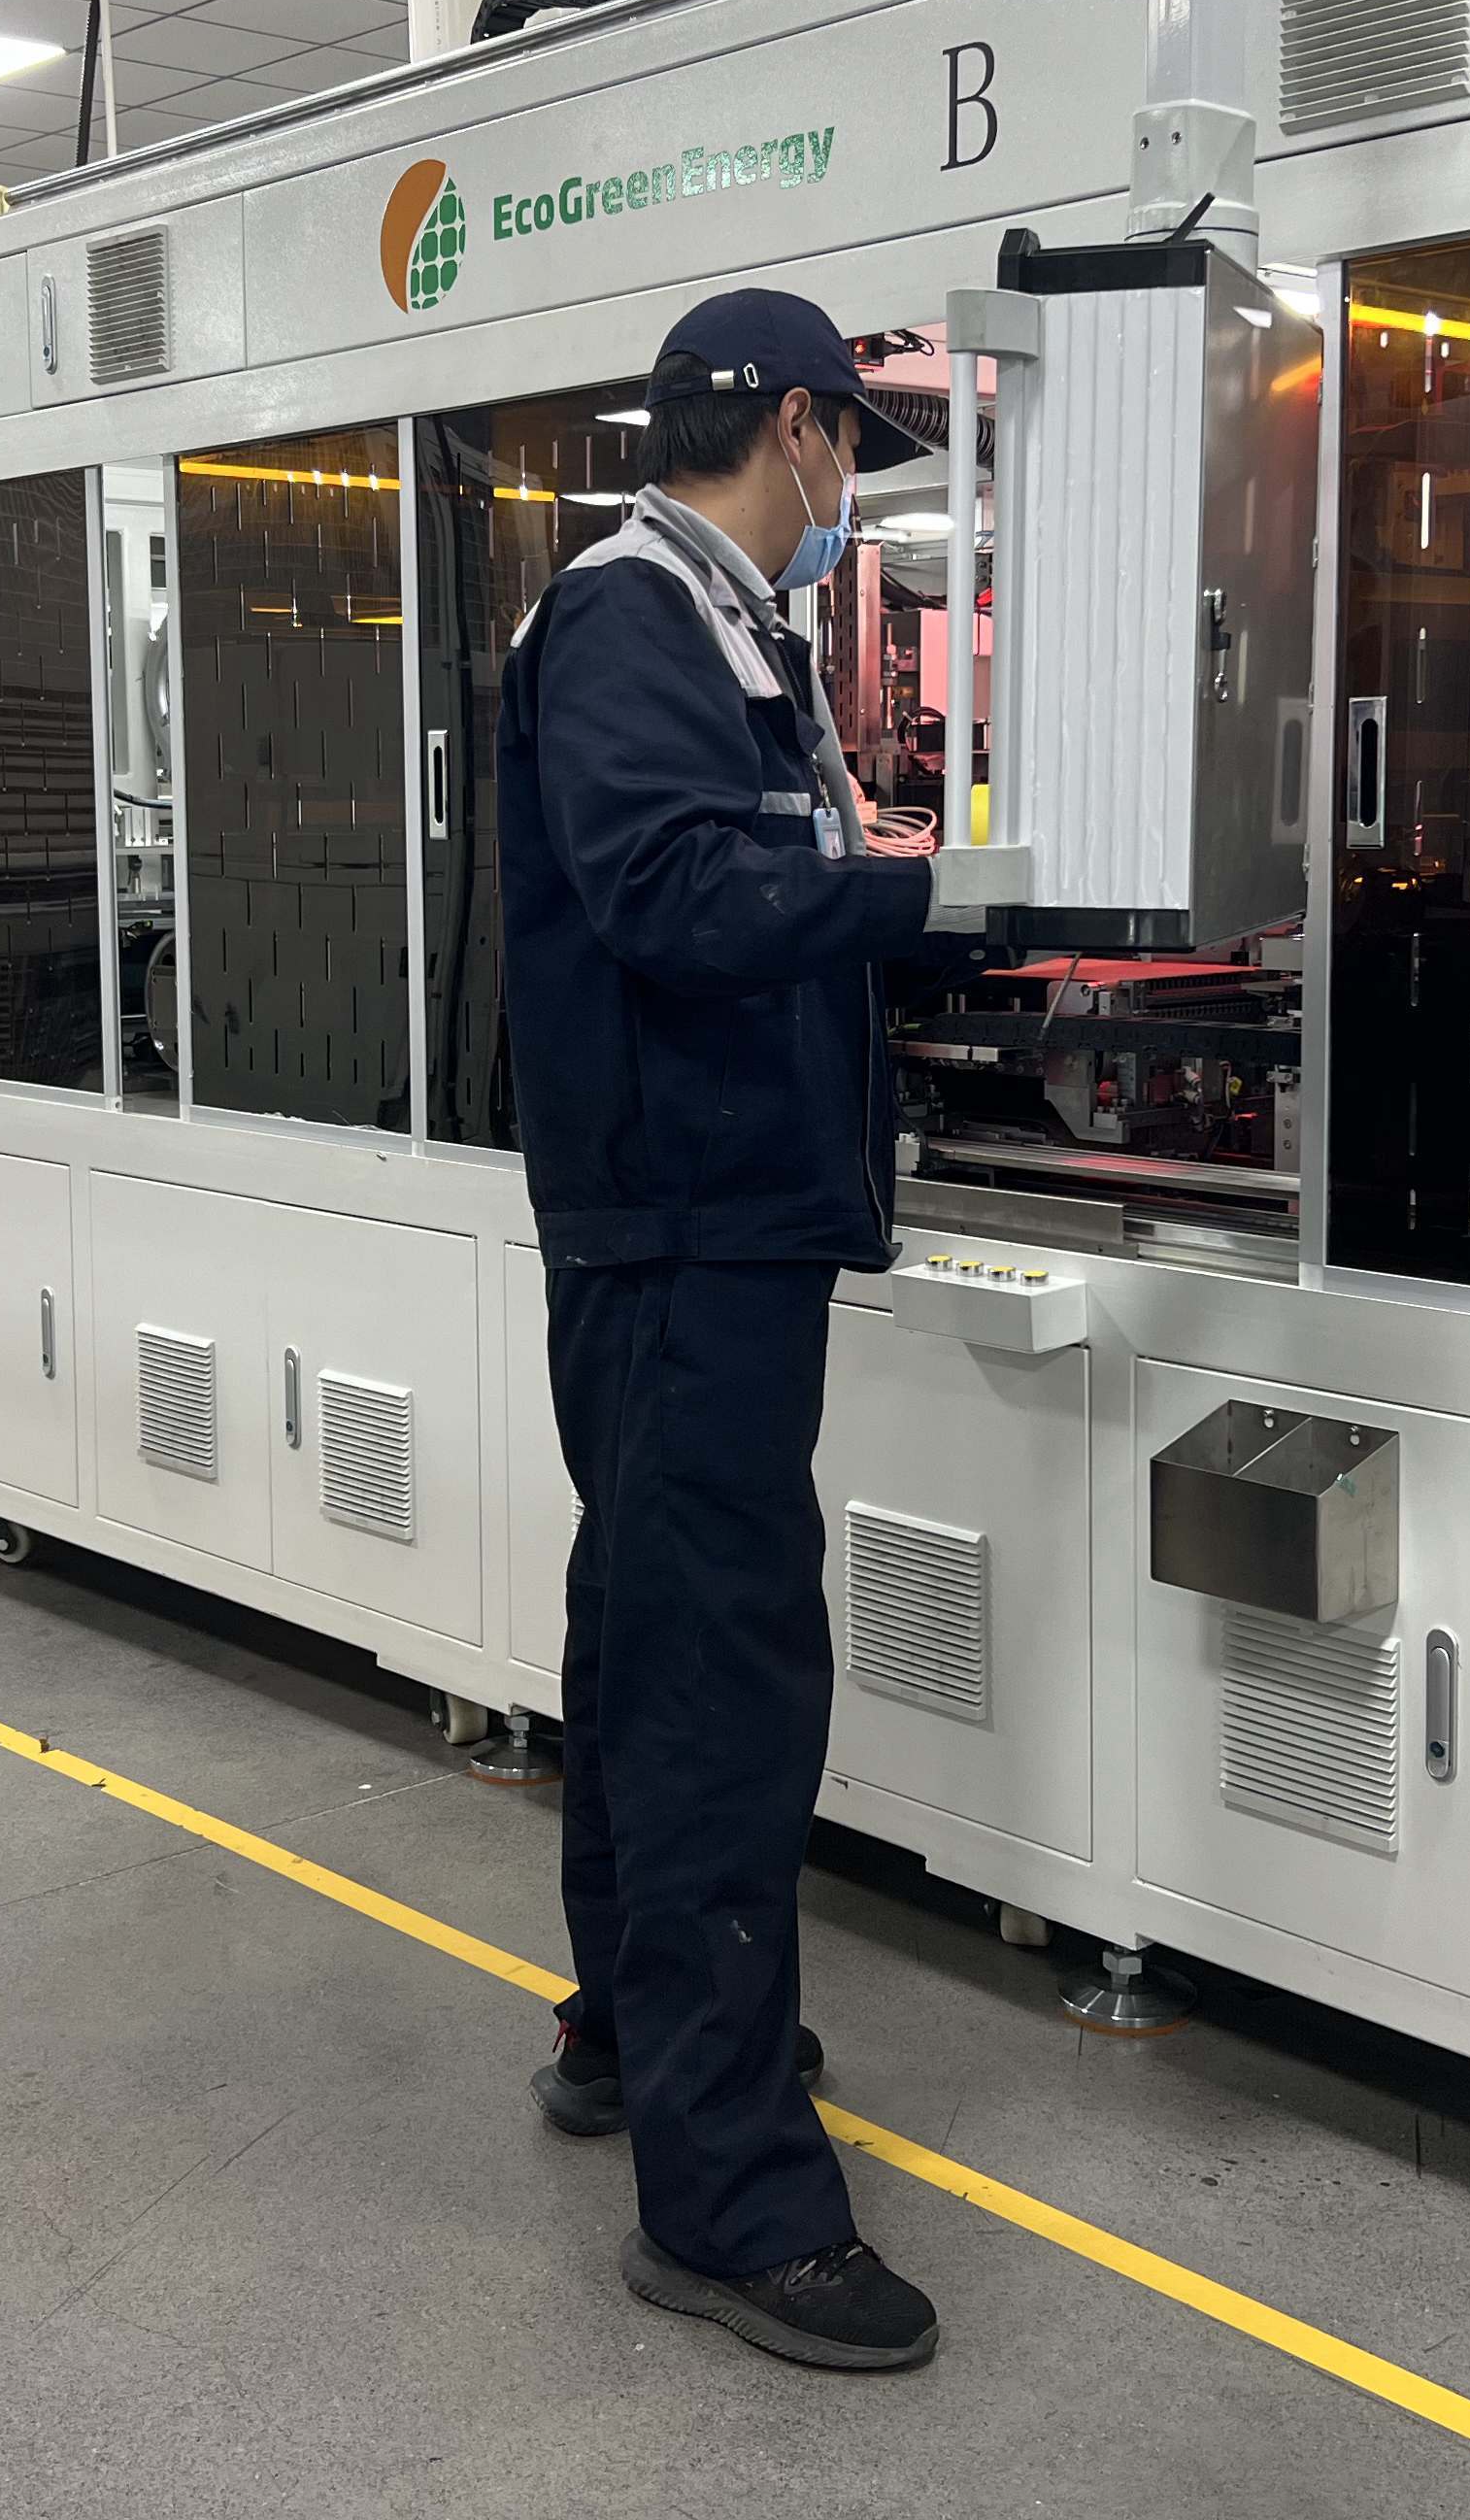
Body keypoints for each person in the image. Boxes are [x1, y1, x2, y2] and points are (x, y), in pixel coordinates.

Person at [495, 288, 977, 2373]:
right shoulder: (636, 615)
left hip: (703, 1222)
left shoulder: (719, 619)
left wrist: (899, 904)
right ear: (799, 428)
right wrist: (940, 893)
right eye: (853, 443)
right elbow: (679, 896)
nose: (850, 485)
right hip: (683, 1228)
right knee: (722, 1684)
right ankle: (732, 2204)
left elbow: (754, 876)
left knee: (648, 1634)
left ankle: (637, 2031)